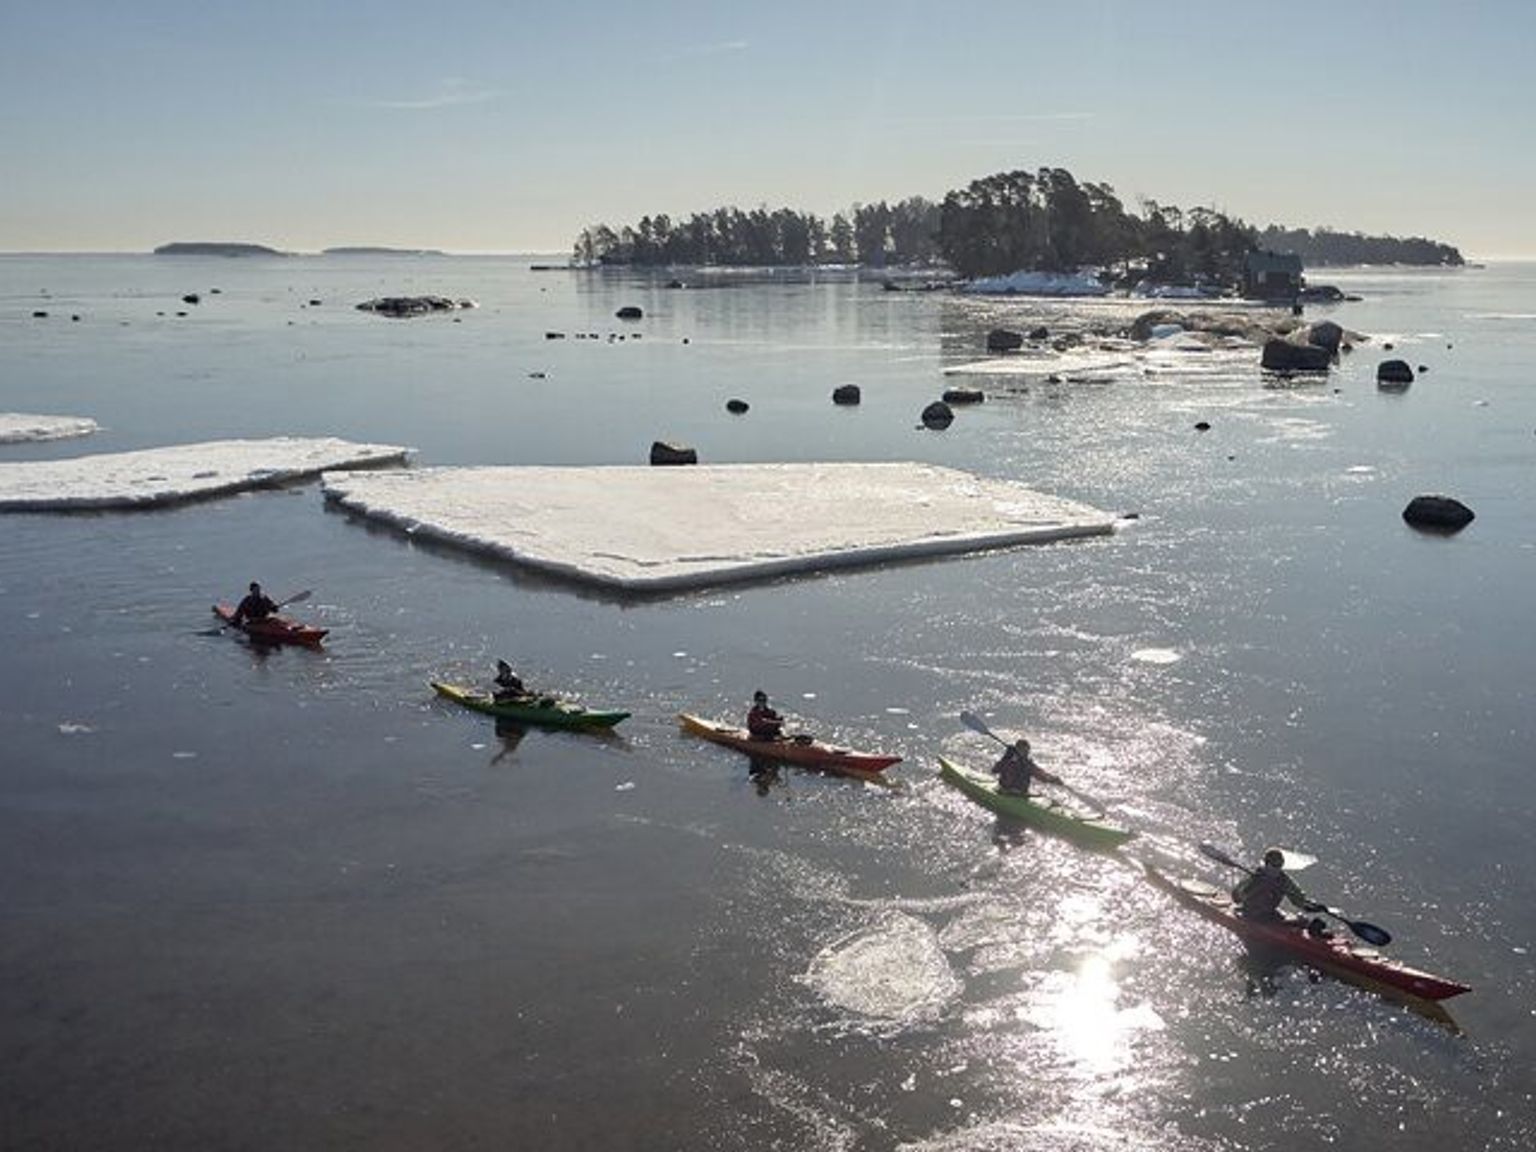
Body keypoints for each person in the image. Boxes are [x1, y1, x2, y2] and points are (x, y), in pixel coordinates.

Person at [1232, 848, 1321, 921]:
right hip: (1250, 913)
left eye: (1280, 865)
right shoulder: (1255, 876)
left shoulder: (1284, 880)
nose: (1277, 869)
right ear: (1267, 864)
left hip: (1269, 913)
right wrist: (1254, 885)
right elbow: (1236, 896)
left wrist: (1310, 906)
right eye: (1274, 865)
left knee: (1302, 921)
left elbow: (1297, 898)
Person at [991, 737, 1061, 796]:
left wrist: (1053, 779)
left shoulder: (1027, 764)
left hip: (1021, 794)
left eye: (1027, 752)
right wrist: (1006, 757)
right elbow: (994, 770)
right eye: (1024, 751)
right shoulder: (1009, 761)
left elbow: (1040, 774)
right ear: (1017, 750)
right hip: (1005, 792)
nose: (1026, 754)